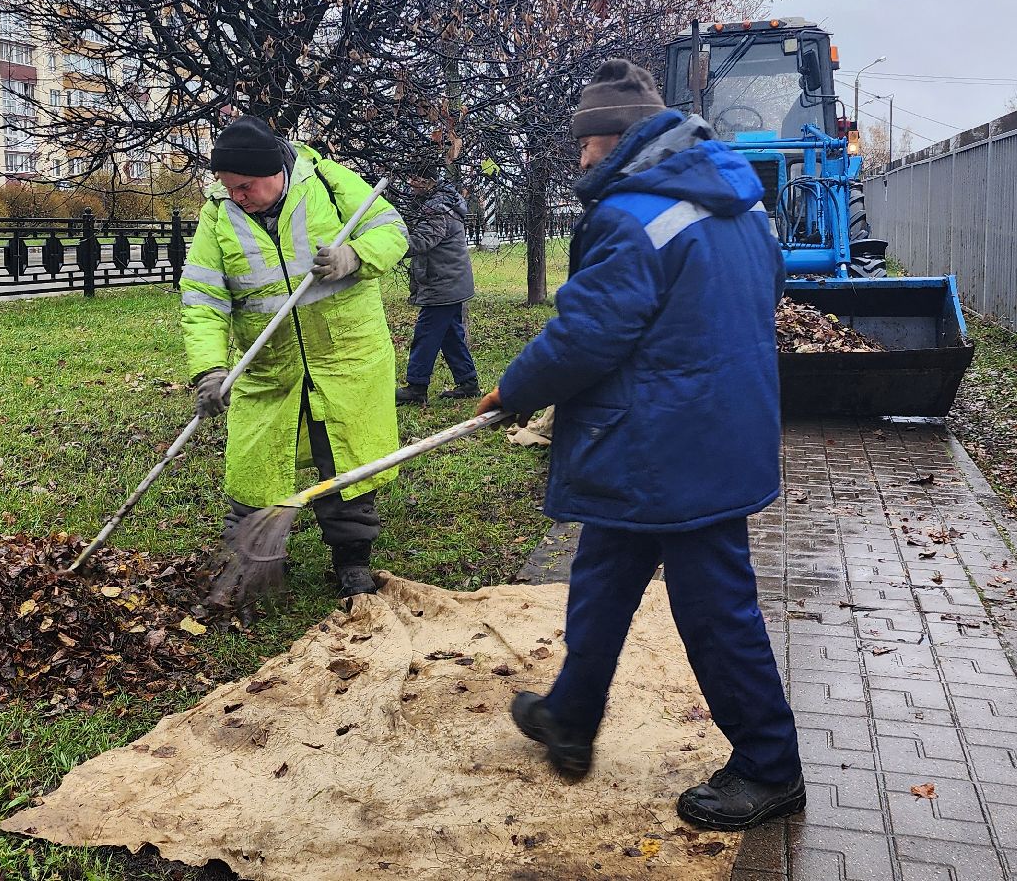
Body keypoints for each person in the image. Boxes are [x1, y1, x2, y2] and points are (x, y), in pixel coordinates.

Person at [475, 59, 803, 832]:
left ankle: (770, 766)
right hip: (689, 434)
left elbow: (588, 335)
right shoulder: (739, 205)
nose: (580, 160)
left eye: (584, 145)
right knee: (601, 579)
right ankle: (570, 717)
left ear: (612, 140)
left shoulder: (633, 216)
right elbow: (768, 291)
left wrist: (513, 390)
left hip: (671, 451)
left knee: (716, 612)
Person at [180, 116, 408, 597]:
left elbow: (391, 230)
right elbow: (203, 301)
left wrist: (355, 256)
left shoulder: (327, 181)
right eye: (228, 187)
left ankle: (352, 564)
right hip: (270, 369)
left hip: (346, 358)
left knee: (346, 466)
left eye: (245, 186)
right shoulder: (218, 215)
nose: (237, 196)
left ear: (274, 172)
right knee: (253, 466)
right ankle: (255, 562)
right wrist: (210, 369)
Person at [395, 163, 479, 404]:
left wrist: (386, 244)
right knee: (450, 334)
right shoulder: (441, 202)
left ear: (430, 181)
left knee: (426, 333)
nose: (410, 185)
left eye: (415, 179)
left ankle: (416, 387)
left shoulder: (437, 208)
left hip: (443, 283)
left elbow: (421, 241)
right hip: (449, 281)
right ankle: (468, 382)